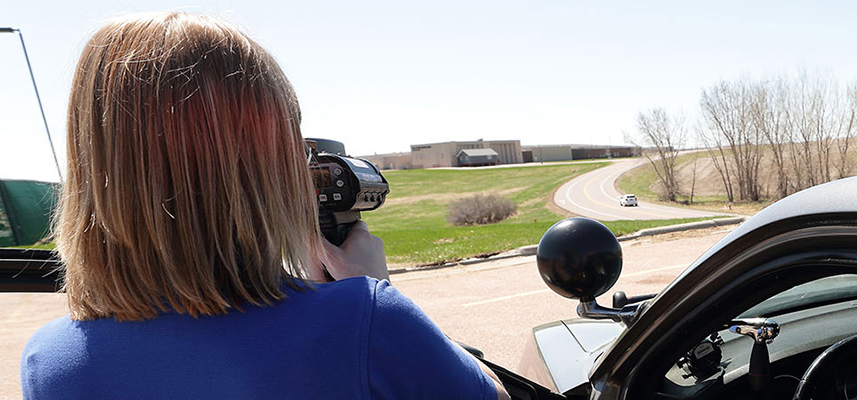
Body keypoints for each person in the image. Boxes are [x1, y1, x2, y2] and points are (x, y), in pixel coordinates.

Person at [19, 12, 511, 400]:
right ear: (260, 171)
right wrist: (374, 289)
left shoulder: (50, 361)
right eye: (294, 149)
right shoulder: (364, 320)